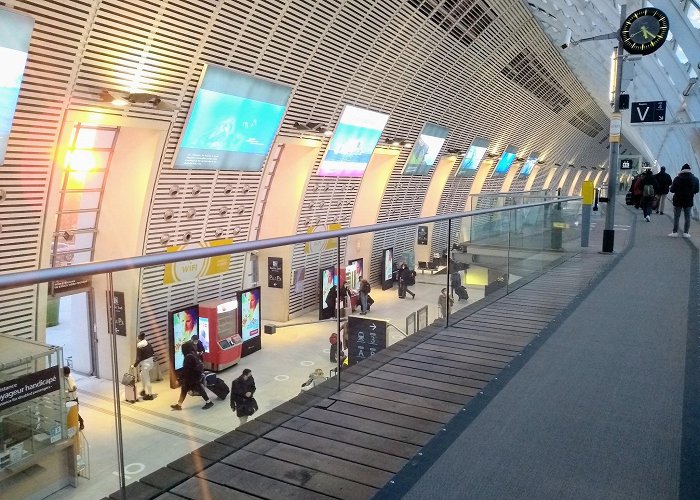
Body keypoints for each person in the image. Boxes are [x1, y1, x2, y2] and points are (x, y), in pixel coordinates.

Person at [171, 342, 213, 410]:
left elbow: (185, 369)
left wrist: (179, 379)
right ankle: (179, 405)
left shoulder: (188, 357)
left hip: (192, 377)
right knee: (185, 389)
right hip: (195, 375)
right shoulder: (193, 354)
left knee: (197, 389)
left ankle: (209, 402)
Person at [669, 163, 700, 238]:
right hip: (688, 200)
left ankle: (675, 232)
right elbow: (696, 190)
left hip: (678, 200)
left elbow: (672, 190)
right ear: (689, 170)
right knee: (687, 217)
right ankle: (686, 232)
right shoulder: (695, 179)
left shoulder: (677, 178)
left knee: (677, 216)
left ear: (682, 170)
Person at [133, 333, 155, 400]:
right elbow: (152, 352)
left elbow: (138, 358)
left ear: (139, 338)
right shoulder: (148, 343)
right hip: (151, 363)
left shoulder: (139, 346)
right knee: (141, 374)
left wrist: (134, 365)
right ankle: (143, 390)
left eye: (137, 338)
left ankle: (150, 395)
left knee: (147, 379)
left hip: (145, 365)